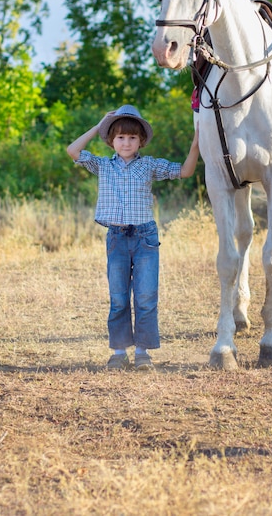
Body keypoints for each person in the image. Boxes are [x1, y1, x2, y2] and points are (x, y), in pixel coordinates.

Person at [67, 104, 199, 371]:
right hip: (116, 238)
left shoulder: (149, 165)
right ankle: (118, 352)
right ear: (111, 141)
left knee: (146, 296)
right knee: (118, 298)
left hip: (145, 239)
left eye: (132, 137)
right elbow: (73, 151)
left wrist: (196, 142)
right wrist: (98, 125)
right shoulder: (102, 165)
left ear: (141, 141)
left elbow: (185, 171)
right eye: (120, 137)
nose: (126, 142)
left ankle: (142, 353)